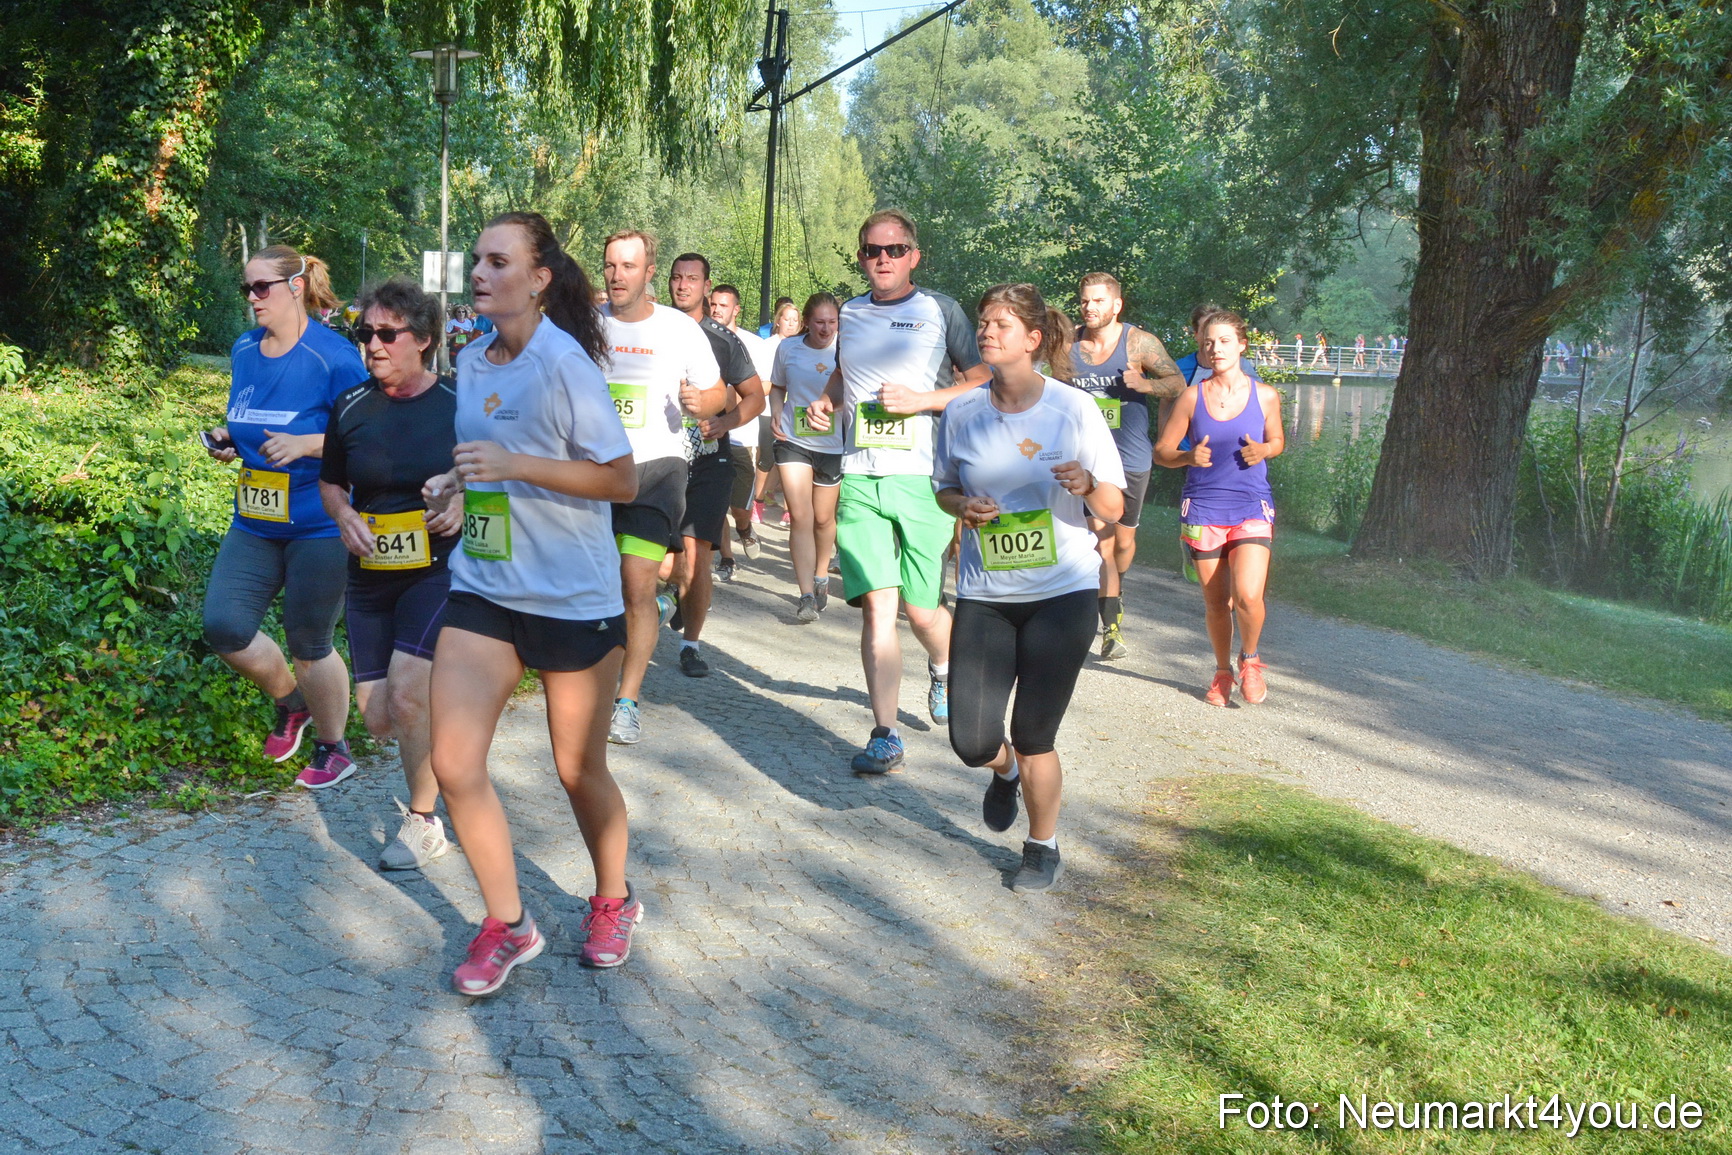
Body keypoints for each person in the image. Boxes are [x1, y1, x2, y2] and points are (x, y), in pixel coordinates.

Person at [420, 211, 643, 993]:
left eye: (497, 261)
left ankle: (613, 897)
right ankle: (509, 923)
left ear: (539, 277)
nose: (479, 273)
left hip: (571, 595)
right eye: (476, 260)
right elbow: (484, 462)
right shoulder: (475, 358)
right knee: (452, 761)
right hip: (486, 584)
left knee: (577, 767)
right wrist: (455, 487)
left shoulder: (564, 364)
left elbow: (621, 480)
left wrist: (518, 462)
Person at [933, 283, 1126, 892]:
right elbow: (942, 488)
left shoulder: (1074, 410)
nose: (986, 333)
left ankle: (1042, 847)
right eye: (984, 324)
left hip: (1062, 593)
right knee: (971, 740)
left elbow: (1115, 507)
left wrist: (1088, 483)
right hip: (986, 594)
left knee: (1035, 732)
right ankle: (1003, 771)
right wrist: (963, 504)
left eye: (1000, 325)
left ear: (1033, 340)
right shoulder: (962, 411)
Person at [804, 210, 991, 774]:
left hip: (924, 478)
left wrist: (923, 401)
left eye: (893, 249)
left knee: (922, 608)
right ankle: (884, 733)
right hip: (860, 475)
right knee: (878, 611)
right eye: (871, 251)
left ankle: (943, 666)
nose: (881, 259)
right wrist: (826, 401)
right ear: (860, 256)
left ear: (914, 254)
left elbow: (981, 379)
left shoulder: (941, 310)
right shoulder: (852, 313)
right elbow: (843, 373)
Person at [201, 245, 367, 789]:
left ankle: (332, 745)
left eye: (261, 288)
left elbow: (362, 439)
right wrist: (230, 440)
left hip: (319, 522)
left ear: (295, 287)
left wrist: (308, 444)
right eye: (246, 289)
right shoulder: (245, 349)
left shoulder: (335, 356)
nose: (251, 299)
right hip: (254, 518)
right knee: (224, 626)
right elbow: (247, 419)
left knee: (309, 641)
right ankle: (292, 703)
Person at [319, 277, 458, 869]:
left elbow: (493, 475)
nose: (372, 345)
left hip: (437, 570)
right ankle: (451, 733)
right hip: (371, 574)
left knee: (407, 691)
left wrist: (461, 500)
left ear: (422, 339)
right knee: (379, 717)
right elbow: (329, 481)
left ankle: (424, 822)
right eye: (364, 333)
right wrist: (345, 513)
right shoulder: (351, 406)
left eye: (386, 334)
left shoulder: (457, 404)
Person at [598, 231, 724, 743]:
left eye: (628, 266)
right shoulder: (584, 324)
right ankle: (591, 677)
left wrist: (705, 404)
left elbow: (718, 391)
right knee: (599, 587)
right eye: (610, 265)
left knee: (636, 583)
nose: (617, 275)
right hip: (594, 472)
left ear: (649, 272)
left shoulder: (678, 329)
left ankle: (626, 700)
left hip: (657, 470)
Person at [1153, 310, 1285, 707]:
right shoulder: (1192, 397)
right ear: (1202, 348)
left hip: (1251, 505)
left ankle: (1250, 659)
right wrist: (1187, 457)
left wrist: (1264, 449)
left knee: (1247, 595)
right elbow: (1162, 451)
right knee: (1216, 602)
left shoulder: (1265, 395)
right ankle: (1222, 670)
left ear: (1242, 345)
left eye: (1225, 341)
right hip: (1204, 507)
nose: (1216, 349)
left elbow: (1277, 440)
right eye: (1209, 342)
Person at [1069, 272, 1186, 660]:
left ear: (1116, 305)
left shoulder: (1139, 342)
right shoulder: (1066, 343)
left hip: (1130, 457)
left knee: (1123, 541)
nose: (1090, 308)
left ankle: (1115, 589)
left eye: (1098, 301)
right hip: (1087, 461)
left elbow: (1178, 383)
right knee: (1100, 541)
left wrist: (1147, 386)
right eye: (1085, 300)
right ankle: (1110, 627)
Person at [664, 257, 766, 676]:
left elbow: (755, 397)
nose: (683, 285)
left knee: (697, 553)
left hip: (710, 457)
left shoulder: (722, 339)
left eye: (692, 279)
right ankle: (675, 595)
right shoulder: (654, 328)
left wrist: (725, 421)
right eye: (677, 277)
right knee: (654, 556)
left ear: (706, 286)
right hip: (660, 458)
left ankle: (691, 646)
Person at [769, 292, 844, 621]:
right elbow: (777, 386)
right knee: (801, 516)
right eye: (819, 322)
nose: (826, 329)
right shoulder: (788, 348)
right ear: (806, 323)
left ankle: (821, 575)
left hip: (833, 444)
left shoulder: (847, 348)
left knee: (824, 519)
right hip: (793, 439)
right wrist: (774, 412)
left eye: (832, 322)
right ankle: (805, 596)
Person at [711, 283, 776, 577]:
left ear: (736, 309)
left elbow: (764, 386)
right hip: (709, 434)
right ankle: (727, 559)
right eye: (713, 304)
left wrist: (734, 394)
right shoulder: (698, 338)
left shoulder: (752, 344)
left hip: (741, 435)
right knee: (716, 503)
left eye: (723, 305)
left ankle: (746, 528)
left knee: (738, 507)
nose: (716, 310)